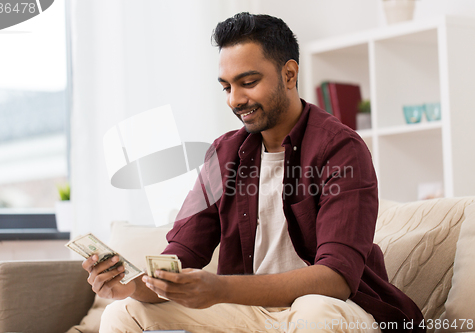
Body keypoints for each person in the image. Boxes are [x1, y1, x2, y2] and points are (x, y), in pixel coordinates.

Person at [83, 12, 425, 333]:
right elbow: (179, 253)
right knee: (123, 311)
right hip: (248, 310)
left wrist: (220, 287)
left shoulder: (341, 149)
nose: (235, 99)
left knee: (314, 313)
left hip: (334, 308)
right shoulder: (223, 155)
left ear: (289, 75)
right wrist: (132, 284)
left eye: (248, 82)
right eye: (226, 87)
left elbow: (336, 278)